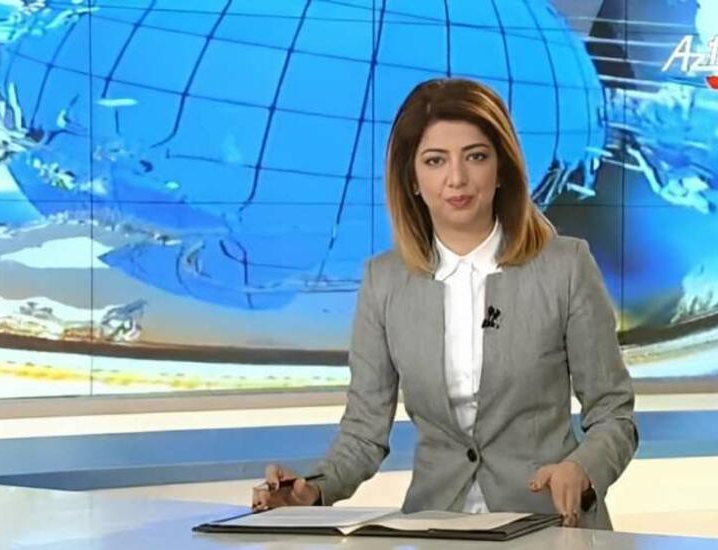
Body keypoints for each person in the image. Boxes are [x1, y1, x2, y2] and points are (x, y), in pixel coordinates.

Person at [251, 78, 638, 530]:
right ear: (412, 179)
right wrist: (312, 489)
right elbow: (363, 433)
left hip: (549, 524)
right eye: (435, 160)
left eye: (475, 156)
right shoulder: (384, 282)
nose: (457, 178)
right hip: (437, 526)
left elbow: (613, 414)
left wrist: (582, 469)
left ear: (501, 168)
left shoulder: (565, 266)